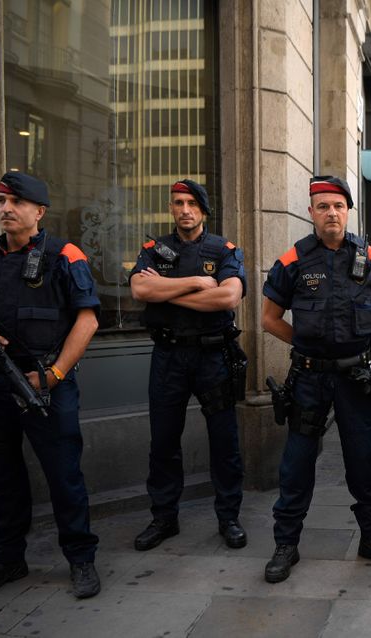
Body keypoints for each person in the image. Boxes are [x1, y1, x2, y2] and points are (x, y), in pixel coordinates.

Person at [0, 171, 101, 599]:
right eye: (1, 201)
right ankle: (7, 560)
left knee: (64, 476)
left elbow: (88, 321)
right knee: (2, 479)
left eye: (15, 202)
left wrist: (53, 375)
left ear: (39, 211)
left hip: (45, 386)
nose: (5, 209)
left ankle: (81, 559)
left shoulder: (65, 256)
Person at [261, 175, 371, 583]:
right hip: (308, 379)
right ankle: (285, 544)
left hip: (354, 378)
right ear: (311, 213)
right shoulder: (294, 260)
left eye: (338, 206)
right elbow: (269, 320)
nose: (331, 213)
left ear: (348, 211)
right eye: (322, 206)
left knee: (362, 459)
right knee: (297, 462)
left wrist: (356, 345)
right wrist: (309, 346)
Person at [129, 179, 248, 551]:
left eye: (192, 203)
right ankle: (164, 518)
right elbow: (140, 290)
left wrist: (166, 293)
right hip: (168, 357)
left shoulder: (224, 249)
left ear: (203, 210)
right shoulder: (155, 249)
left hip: (214, 356)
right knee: (163, 441)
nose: (184, 209)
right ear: (171, 208)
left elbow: (228, 298)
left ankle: (229, 517)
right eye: (178, 202)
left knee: (224, 440)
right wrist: (197, 282)